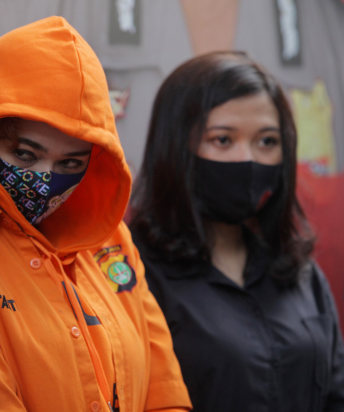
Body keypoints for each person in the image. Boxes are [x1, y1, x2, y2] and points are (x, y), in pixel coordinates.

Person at [0, 16, 191, 412]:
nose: (44, 181)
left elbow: (165, 393)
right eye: (25, 154)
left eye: (71, 163)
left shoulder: (108, 235)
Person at [129, 51, 344, 411]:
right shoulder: (133, 273)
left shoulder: (301, 273)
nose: (248, 160)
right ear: (175, 146)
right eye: (223, 140)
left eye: (267, 142)